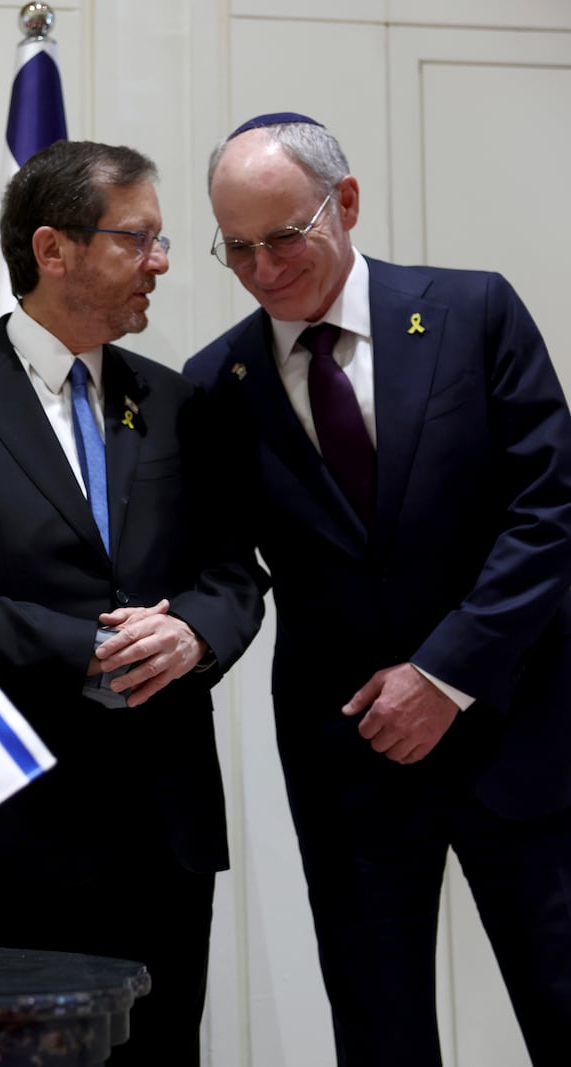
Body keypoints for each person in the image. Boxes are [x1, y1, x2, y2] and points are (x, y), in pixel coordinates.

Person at [0, 140, 265, 1065]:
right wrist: (81, 644)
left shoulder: (178, 403)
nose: (162, 261)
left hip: (164, 815)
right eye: (140, 238)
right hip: (9, 807)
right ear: (54, 249)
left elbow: (235, 573)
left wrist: (194, 632)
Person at [186, 113, 571, 1066]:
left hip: (515, 731)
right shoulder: (216, 385)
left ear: (345, 202)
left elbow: (549, 509)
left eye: (285, 237)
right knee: (378, 1029)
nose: (266, 270)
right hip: (348, 756)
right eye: (238, 251)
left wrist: (443, 675)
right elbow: (227, 569)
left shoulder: (472, 312)